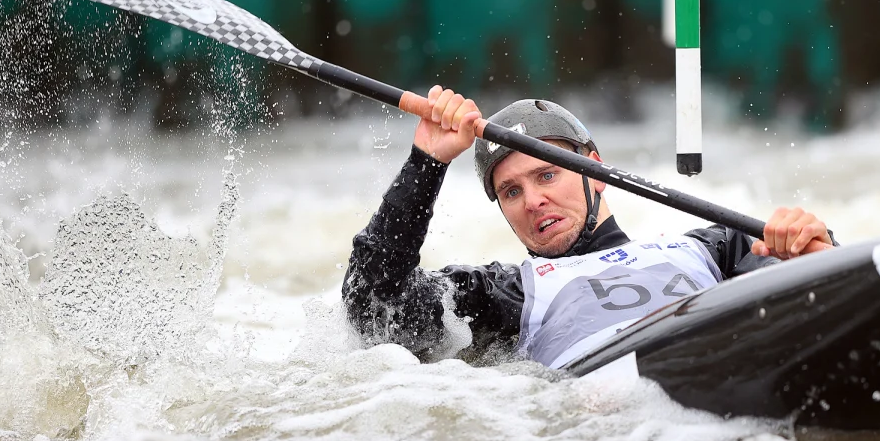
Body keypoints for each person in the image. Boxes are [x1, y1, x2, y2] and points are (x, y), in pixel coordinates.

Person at [344, 86, 837, 367]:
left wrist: (813, 247)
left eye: (546, 174)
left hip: (729, 357)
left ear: (595, 171)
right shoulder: (505, 294)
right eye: (511, 191)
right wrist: (425, 163)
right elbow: (372, 310)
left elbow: (821, 295)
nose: (533, 199)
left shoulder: (715, 247)